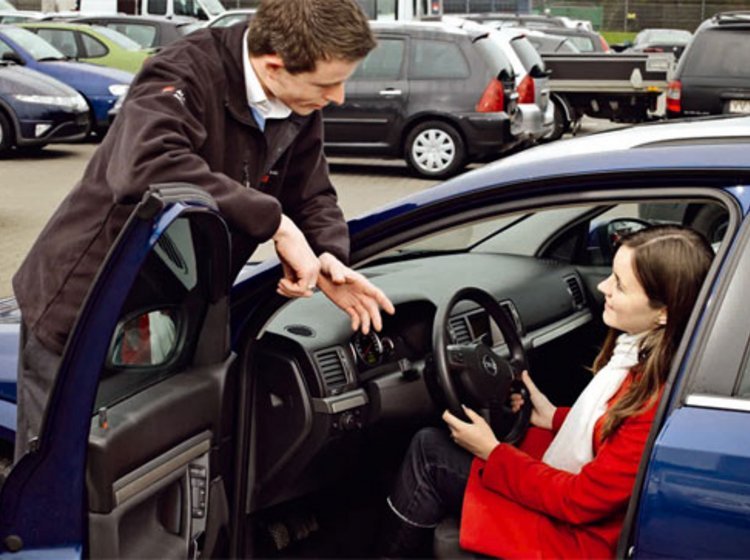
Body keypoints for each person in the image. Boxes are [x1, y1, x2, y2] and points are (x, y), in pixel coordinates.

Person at [11, 0, 394, 461]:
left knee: (155, 460)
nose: (339, 98)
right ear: (273, 67)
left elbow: (311, 193)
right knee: (62, 468)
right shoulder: (183, 73)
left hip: (177, 308)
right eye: (328, 84)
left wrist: (329, 251)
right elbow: (146, 165)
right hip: (89, 303)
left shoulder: (295, 99)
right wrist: (273, 223)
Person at [380, 225, 713, 558]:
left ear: (664, 312)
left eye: (620, 285)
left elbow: (580, 501)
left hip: (579, 538)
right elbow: (611, 432)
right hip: (585, 508)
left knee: (429, 452)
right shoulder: (644, 359)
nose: (602, 287)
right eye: (611, 275)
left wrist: (492, 452)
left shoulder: (651, 395)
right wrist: (553, 416)